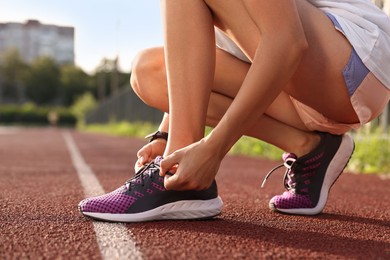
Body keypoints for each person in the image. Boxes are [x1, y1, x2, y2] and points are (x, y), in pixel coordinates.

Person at [78, 0, 390, 222]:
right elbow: (193, 60)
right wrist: (165, 133)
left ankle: (178, 181)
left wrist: (213, 150)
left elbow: (287, 42)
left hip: (354, 61)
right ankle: (311, 147)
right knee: (148, 74)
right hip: (307, 87)